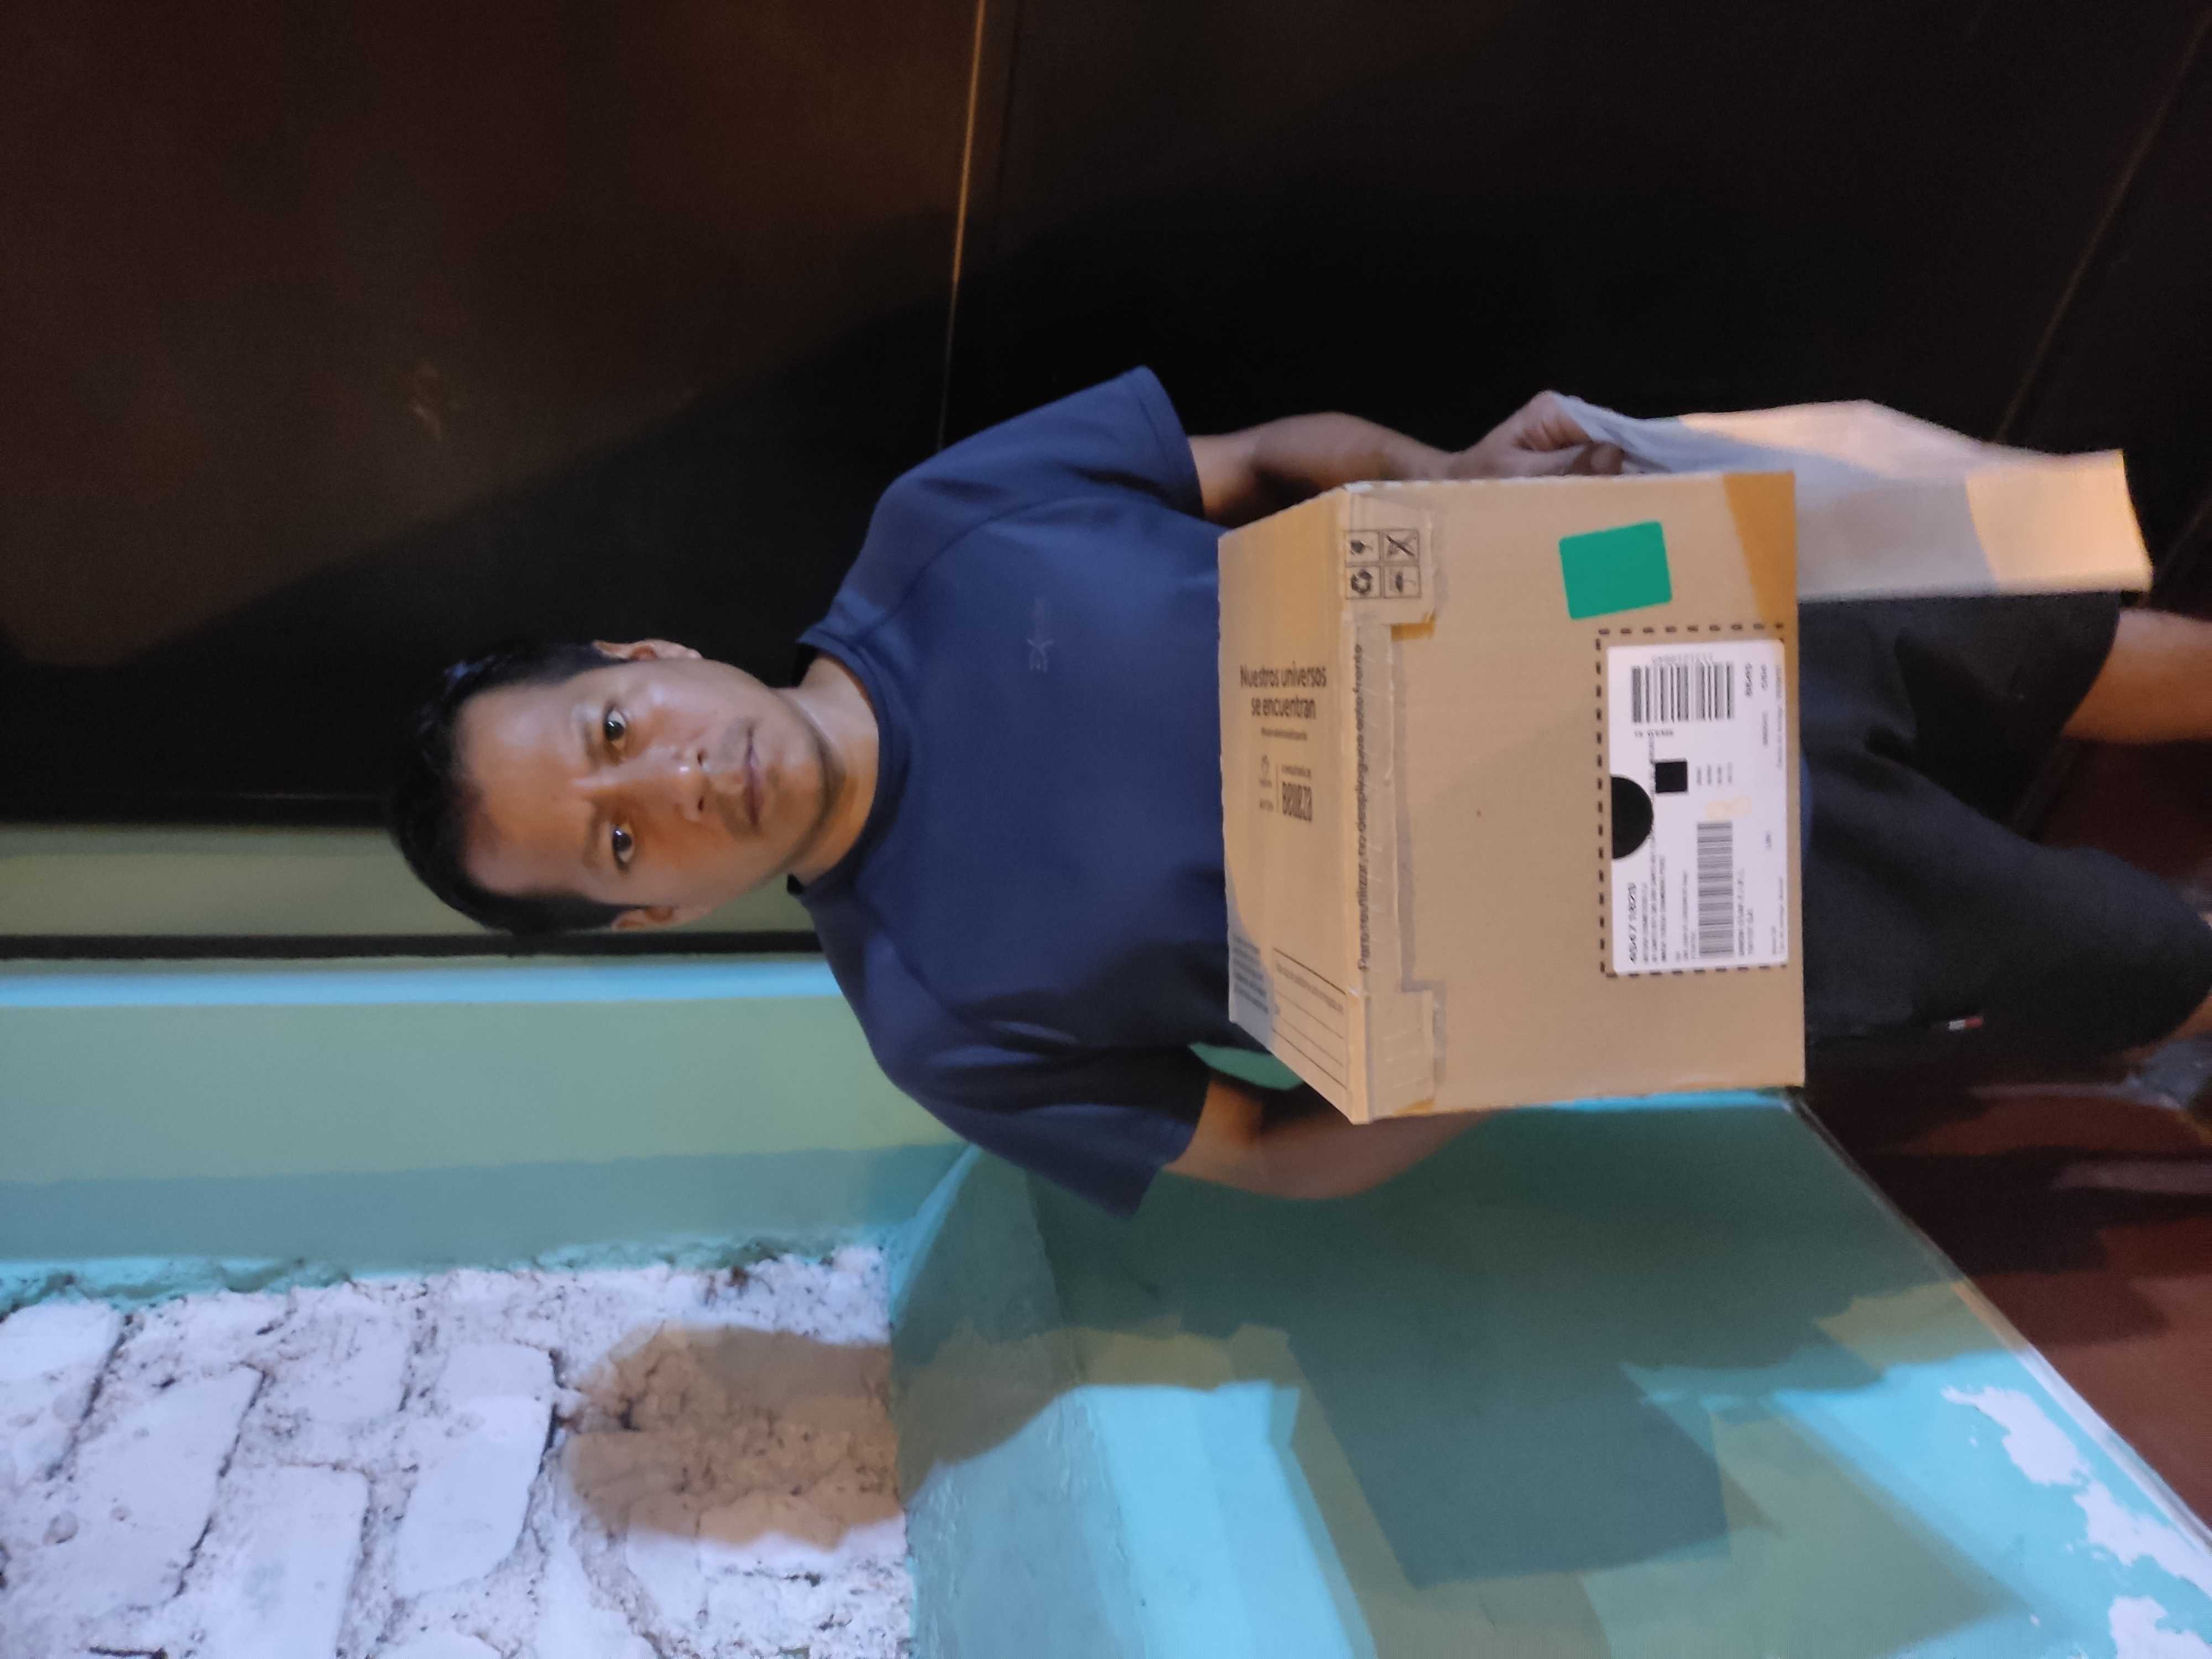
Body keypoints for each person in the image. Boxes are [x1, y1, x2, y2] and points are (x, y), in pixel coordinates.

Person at [388, 371, 2212, 1214]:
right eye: (617, 842)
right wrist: (1503, 1053)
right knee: (2116, 959)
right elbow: (1268, 1156)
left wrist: (1452, 479)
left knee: (2054, 645)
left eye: (613, 733)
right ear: (652, 908)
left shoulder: (940, 525)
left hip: (1626, 606)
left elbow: (1264, 457)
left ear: (646, 656)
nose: (676, 782)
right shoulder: (935, 1025)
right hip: (1653, 907)